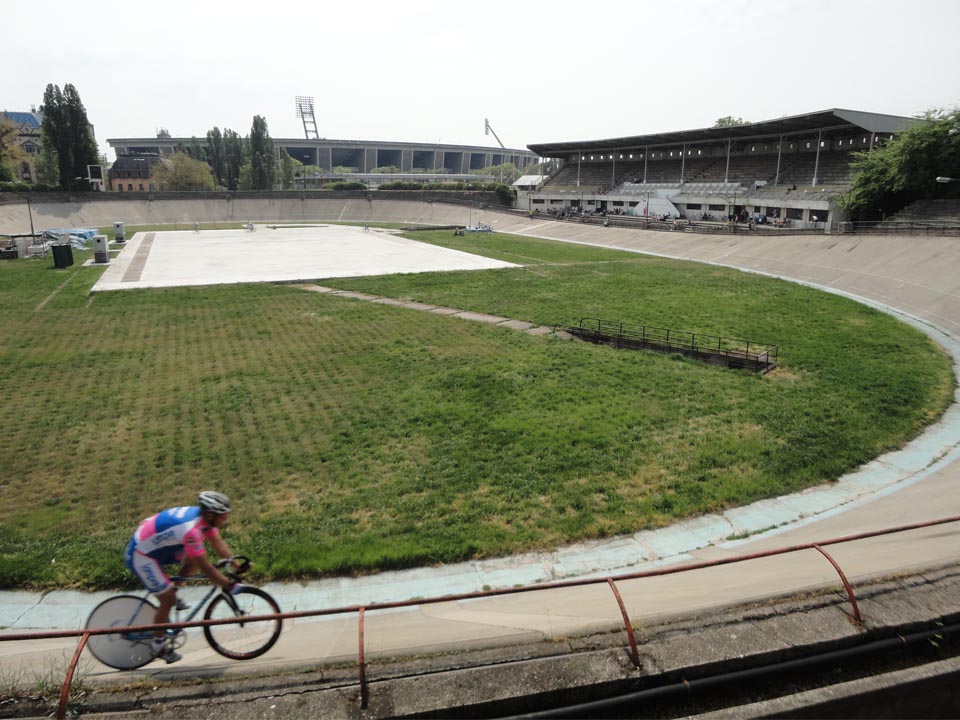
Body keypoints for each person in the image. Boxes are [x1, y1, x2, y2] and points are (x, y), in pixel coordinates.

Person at [124, 491, 243, 664]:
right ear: (210, 514)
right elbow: (206, 567)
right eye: (222, 516)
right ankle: (157, 645)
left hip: (155, 542)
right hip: (141, 555)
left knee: (192, 561)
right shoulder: (192, 531)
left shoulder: (204, 519)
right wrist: (227, 584)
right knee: (167, 600)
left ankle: (174, 590)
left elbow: (218, 545)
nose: (225, 519)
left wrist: (236, 566)